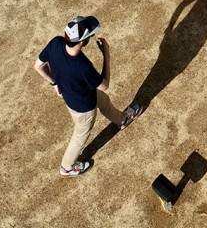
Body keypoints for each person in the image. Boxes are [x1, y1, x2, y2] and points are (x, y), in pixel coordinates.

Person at [33, 15, 141, 176]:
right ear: (83, 42)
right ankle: (67, 167)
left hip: (79, 94)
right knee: (80, 136)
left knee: (104, 102)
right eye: (90, 34)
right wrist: (106, 55)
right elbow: (104, 85)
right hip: (83, 107)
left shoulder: (56, 43)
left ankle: (122, 120)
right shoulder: (82, 67)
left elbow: (38, 66)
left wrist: (55, 83)